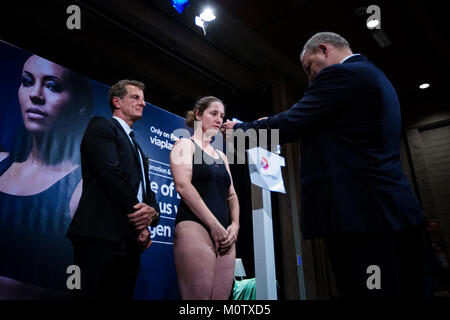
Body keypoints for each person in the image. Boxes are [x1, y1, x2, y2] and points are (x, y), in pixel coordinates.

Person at [222, 32, 433, 299]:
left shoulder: (342, 75)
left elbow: (293, 122)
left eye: (310, 69)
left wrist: (241, 130)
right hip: (393, 214)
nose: (310, 79)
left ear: (323, 50)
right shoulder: (377, 77)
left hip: (362, 219)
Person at [0, 54, 93, 298]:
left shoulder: (83, 189)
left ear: (79, 103)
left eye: (52, 86)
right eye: (27, 81)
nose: (36, 94)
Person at [66, 79, 160, 300]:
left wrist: (153, 215)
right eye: (135, 97)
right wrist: (140, 220)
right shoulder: (101, 126)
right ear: (116, 101)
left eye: (143, 99)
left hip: (130, 243)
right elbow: (110, 175)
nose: (143, 103)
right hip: (98, 236)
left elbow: (149, 193)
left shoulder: (138, 148)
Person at [170, 96, 240, 299]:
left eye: (222, 115)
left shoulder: (222, 156)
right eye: (213, 113)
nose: (219, 119)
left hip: (225, 233)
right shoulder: (185, 144)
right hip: (195, 226)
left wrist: (235, 225)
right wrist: (213, 224)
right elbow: (183, 186)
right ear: (198, 114)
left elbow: (232, 194)